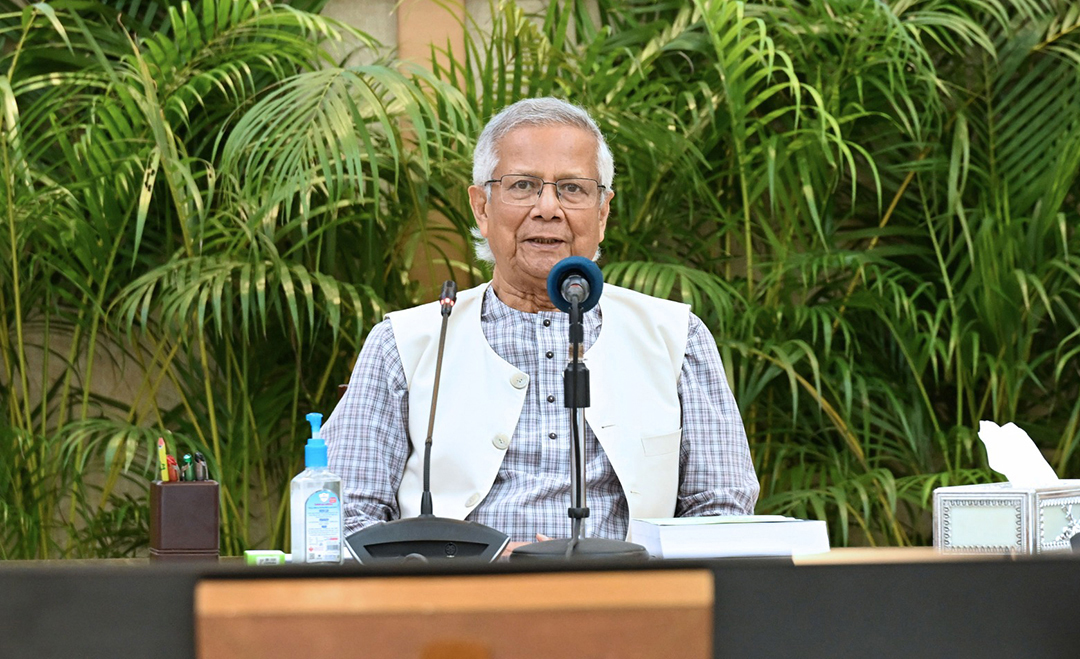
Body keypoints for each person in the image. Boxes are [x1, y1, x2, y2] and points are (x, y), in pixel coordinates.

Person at [324, 97, 758, 544]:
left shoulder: (676, 338)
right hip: (460, 585)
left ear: (602, 212)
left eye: (572, 188)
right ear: (481, 207)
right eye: (523, 185)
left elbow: (721, 510)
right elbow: (345, 516)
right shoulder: (403, 343)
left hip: (625, 585)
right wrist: (479, 561)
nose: (548, 207)